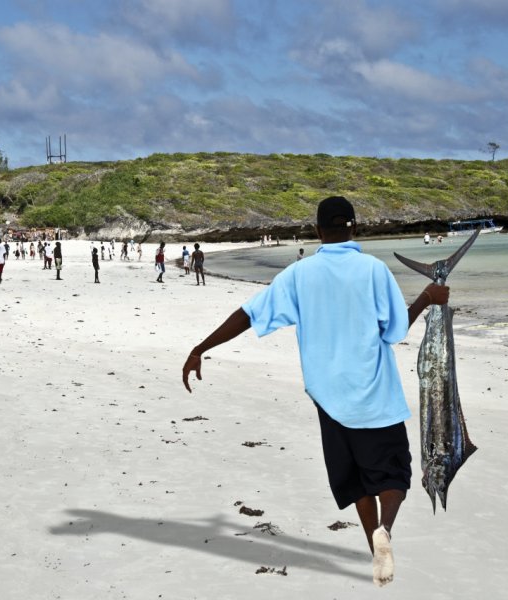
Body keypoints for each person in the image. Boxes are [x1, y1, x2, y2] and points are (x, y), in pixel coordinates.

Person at [181, 196, 450, 588]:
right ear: (354, 228)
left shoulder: (299, 274)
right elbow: (394, 332)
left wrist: (200, 348)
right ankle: (385, 531)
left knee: (355, 481)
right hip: (376, 396)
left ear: (318, 232)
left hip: (328, 400)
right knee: (393, 478)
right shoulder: (373, 270)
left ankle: (372, 544)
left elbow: (248, 314)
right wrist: (427, 298)